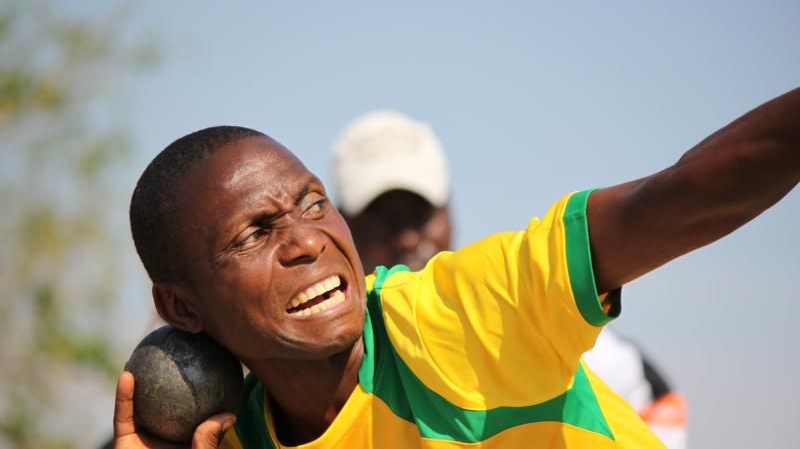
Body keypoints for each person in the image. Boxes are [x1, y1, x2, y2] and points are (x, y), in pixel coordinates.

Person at [114, 87, 800, 449]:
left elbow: (681, 198)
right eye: (256, 234)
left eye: (313, 204)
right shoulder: (230, 441)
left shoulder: (460, 311)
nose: (307, 242)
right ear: (182, 309)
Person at [330, 110, 689, 448]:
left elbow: (659, 407)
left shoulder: (548, 333)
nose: (406, 238)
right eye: (382, 218)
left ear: (448, 213)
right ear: (340, 224)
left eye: (420, 216)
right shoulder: (314, 373)